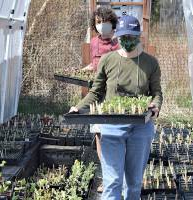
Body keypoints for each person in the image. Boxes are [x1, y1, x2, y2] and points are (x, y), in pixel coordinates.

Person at [70, 15, 163, 200]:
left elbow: (157, 93)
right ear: (117, 37)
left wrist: (155, 105)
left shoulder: (150, 63)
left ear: (139, 36)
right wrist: (78, 108)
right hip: (111, 127)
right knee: (112, 182)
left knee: (134, 182)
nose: (127, 40)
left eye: (131, 36)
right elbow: (96, 92)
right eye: (123, 37)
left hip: (140, 127)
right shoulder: (108, 60)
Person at [82, 7, 119, 193]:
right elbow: (96, 64)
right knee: (99, 137)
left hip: (115, 98)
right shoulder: (94, 42)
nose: (100, 25)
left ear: (112, 23)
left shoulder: (119, 43)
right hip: (98, 97)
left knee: (114, 138)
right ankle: (108, 178)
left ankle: (118, 179)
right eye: (97, 22)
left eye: (103, 21)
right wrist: (86, 69)